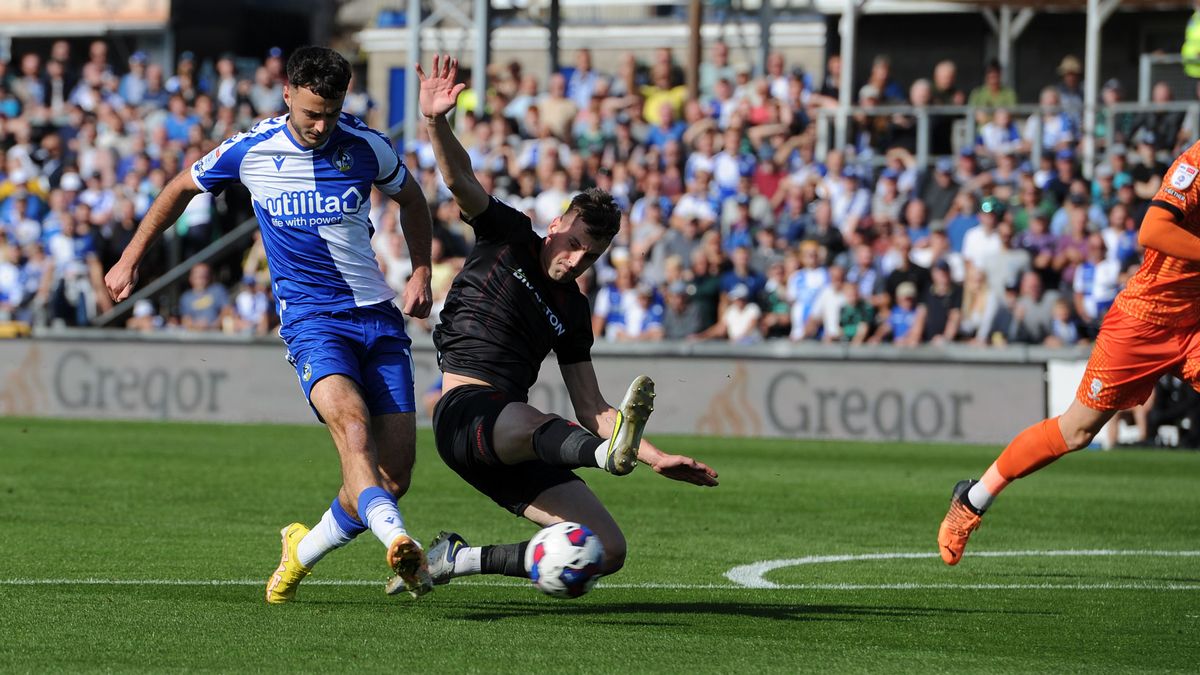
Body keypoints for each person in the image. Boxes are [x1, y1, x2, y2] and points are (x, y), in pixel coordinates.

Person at [103, 46, 438, 601]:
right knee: (355, 436)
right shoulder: (252, 149)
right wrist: (132, 256)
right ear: (287, 95)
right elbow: (179, 188)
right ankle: (401, 543)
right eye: (311, 113)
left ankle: (299, 553)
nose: (320, 125)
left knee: (393, 478)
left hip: (377, 318)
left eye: (330, 112)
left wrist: (422, 268)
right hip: (311, 322)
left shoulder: (366, 145)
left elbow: (414, 198)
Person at [398, 55, 717, 593]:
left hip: (515, 445)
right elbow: (459, 178)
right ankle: (604, 460)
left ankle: (456, 559)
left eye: (589, 257)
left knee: (606, 549)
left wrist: (657, 458)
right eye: (572, 244)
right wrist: (435, 121)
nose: (574, 261)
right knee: (524, 416)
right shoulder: (510, 236)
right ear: (555, 225)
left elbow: (592, 408)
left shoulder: (573, 311)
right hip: (466, 416)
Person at [938, 140, 1200, 565]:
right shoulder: (1195, 163)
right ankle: (972, 499)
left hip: (1196, 322)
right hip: (1144, 321)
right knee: (1076, 432)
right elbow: (1151, 231)